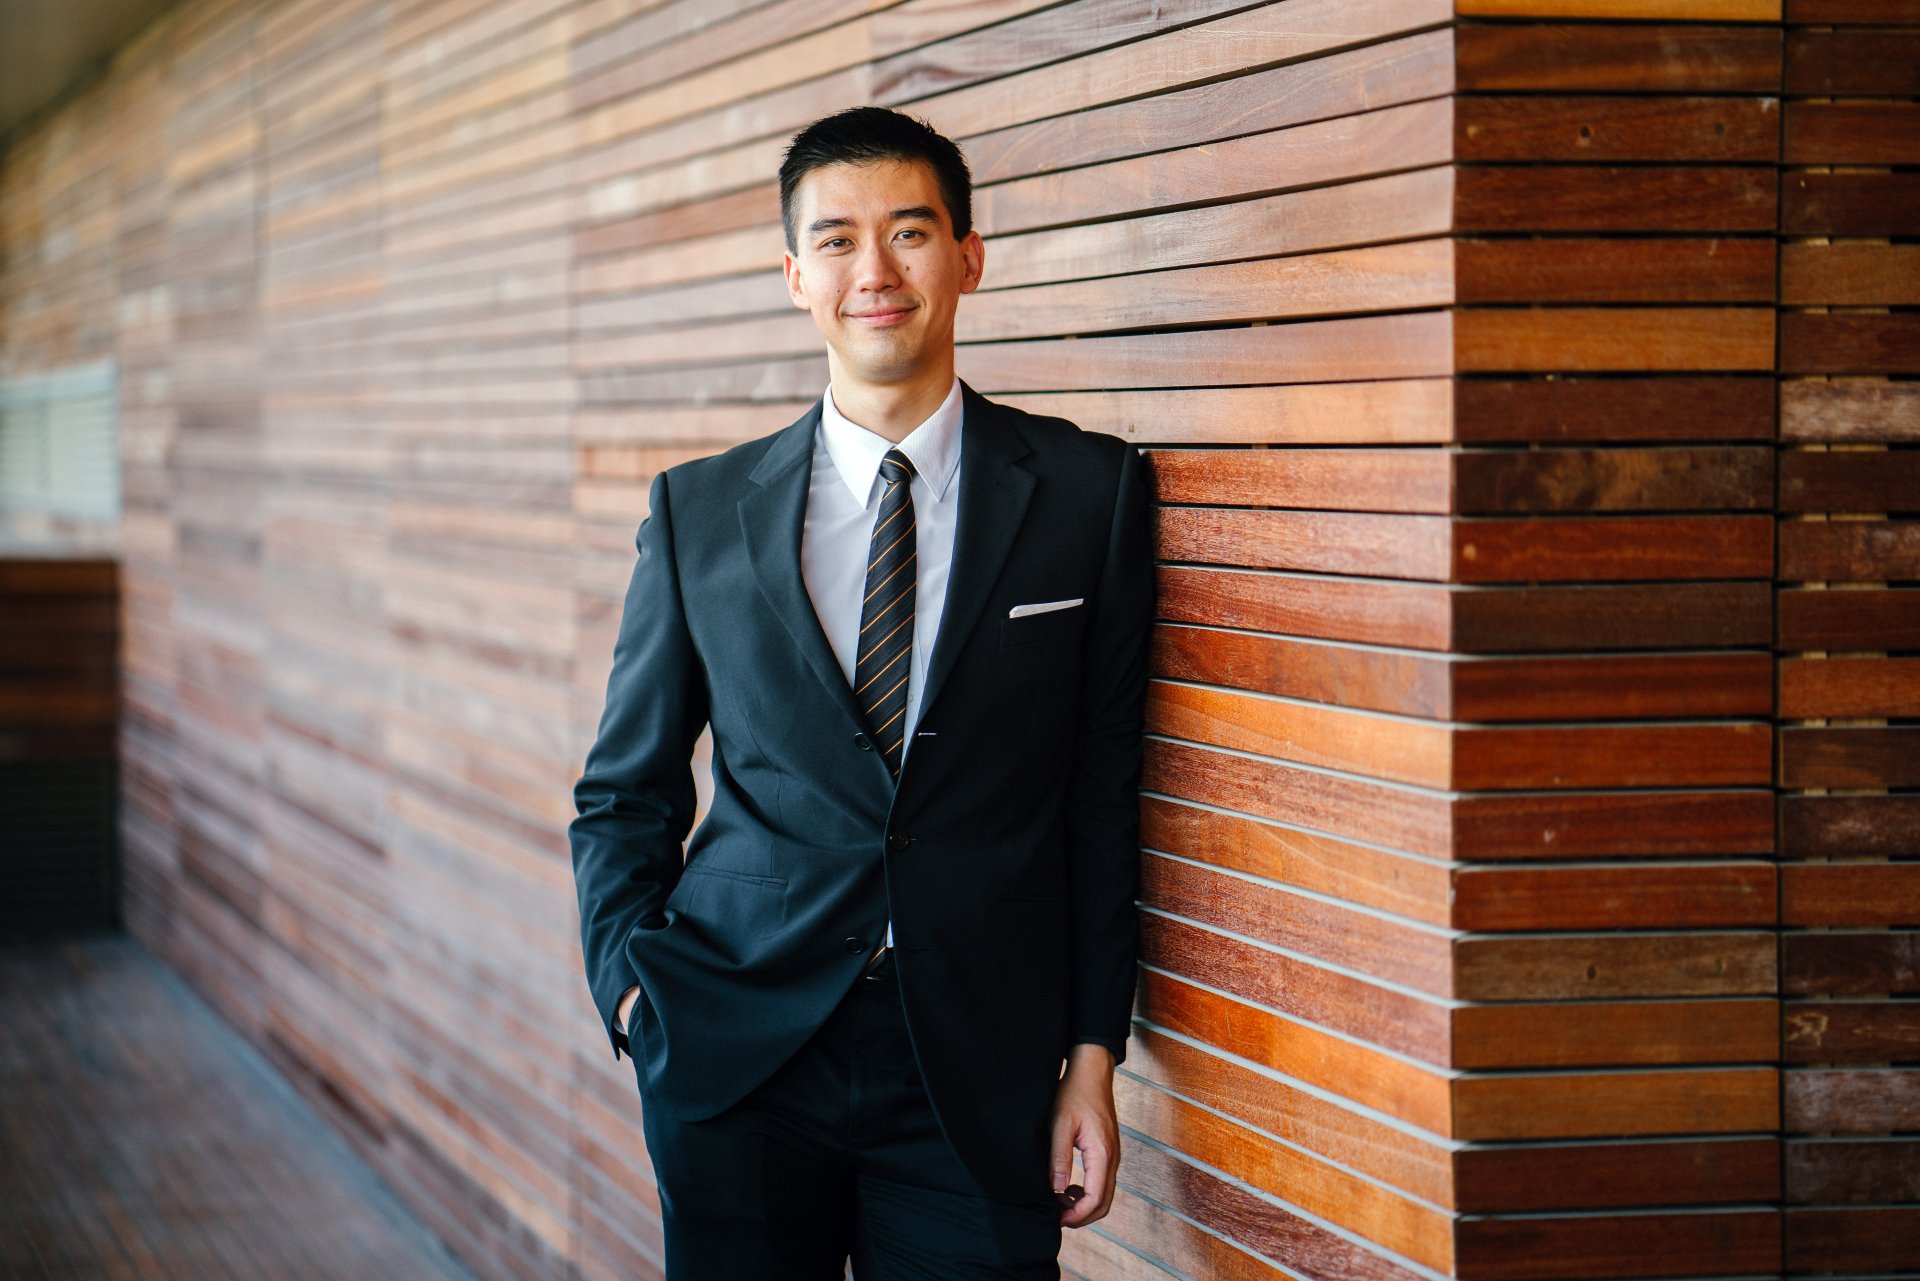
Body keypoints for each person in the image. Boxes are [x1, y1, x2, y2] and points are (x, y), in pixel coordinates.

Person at [568, 104, 1151, 1279]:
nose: (873, 271)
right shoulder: (700, 514)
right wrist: (635, 989)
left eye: (910, 232)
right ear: (794, 276)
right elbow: (624, 791)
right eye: (835, 241)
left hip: (976, 1072)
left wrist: (1092, 1055)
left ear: (970, 256)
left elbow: (1101, 796)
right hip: (736, 1051)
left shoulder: (1091, 494)